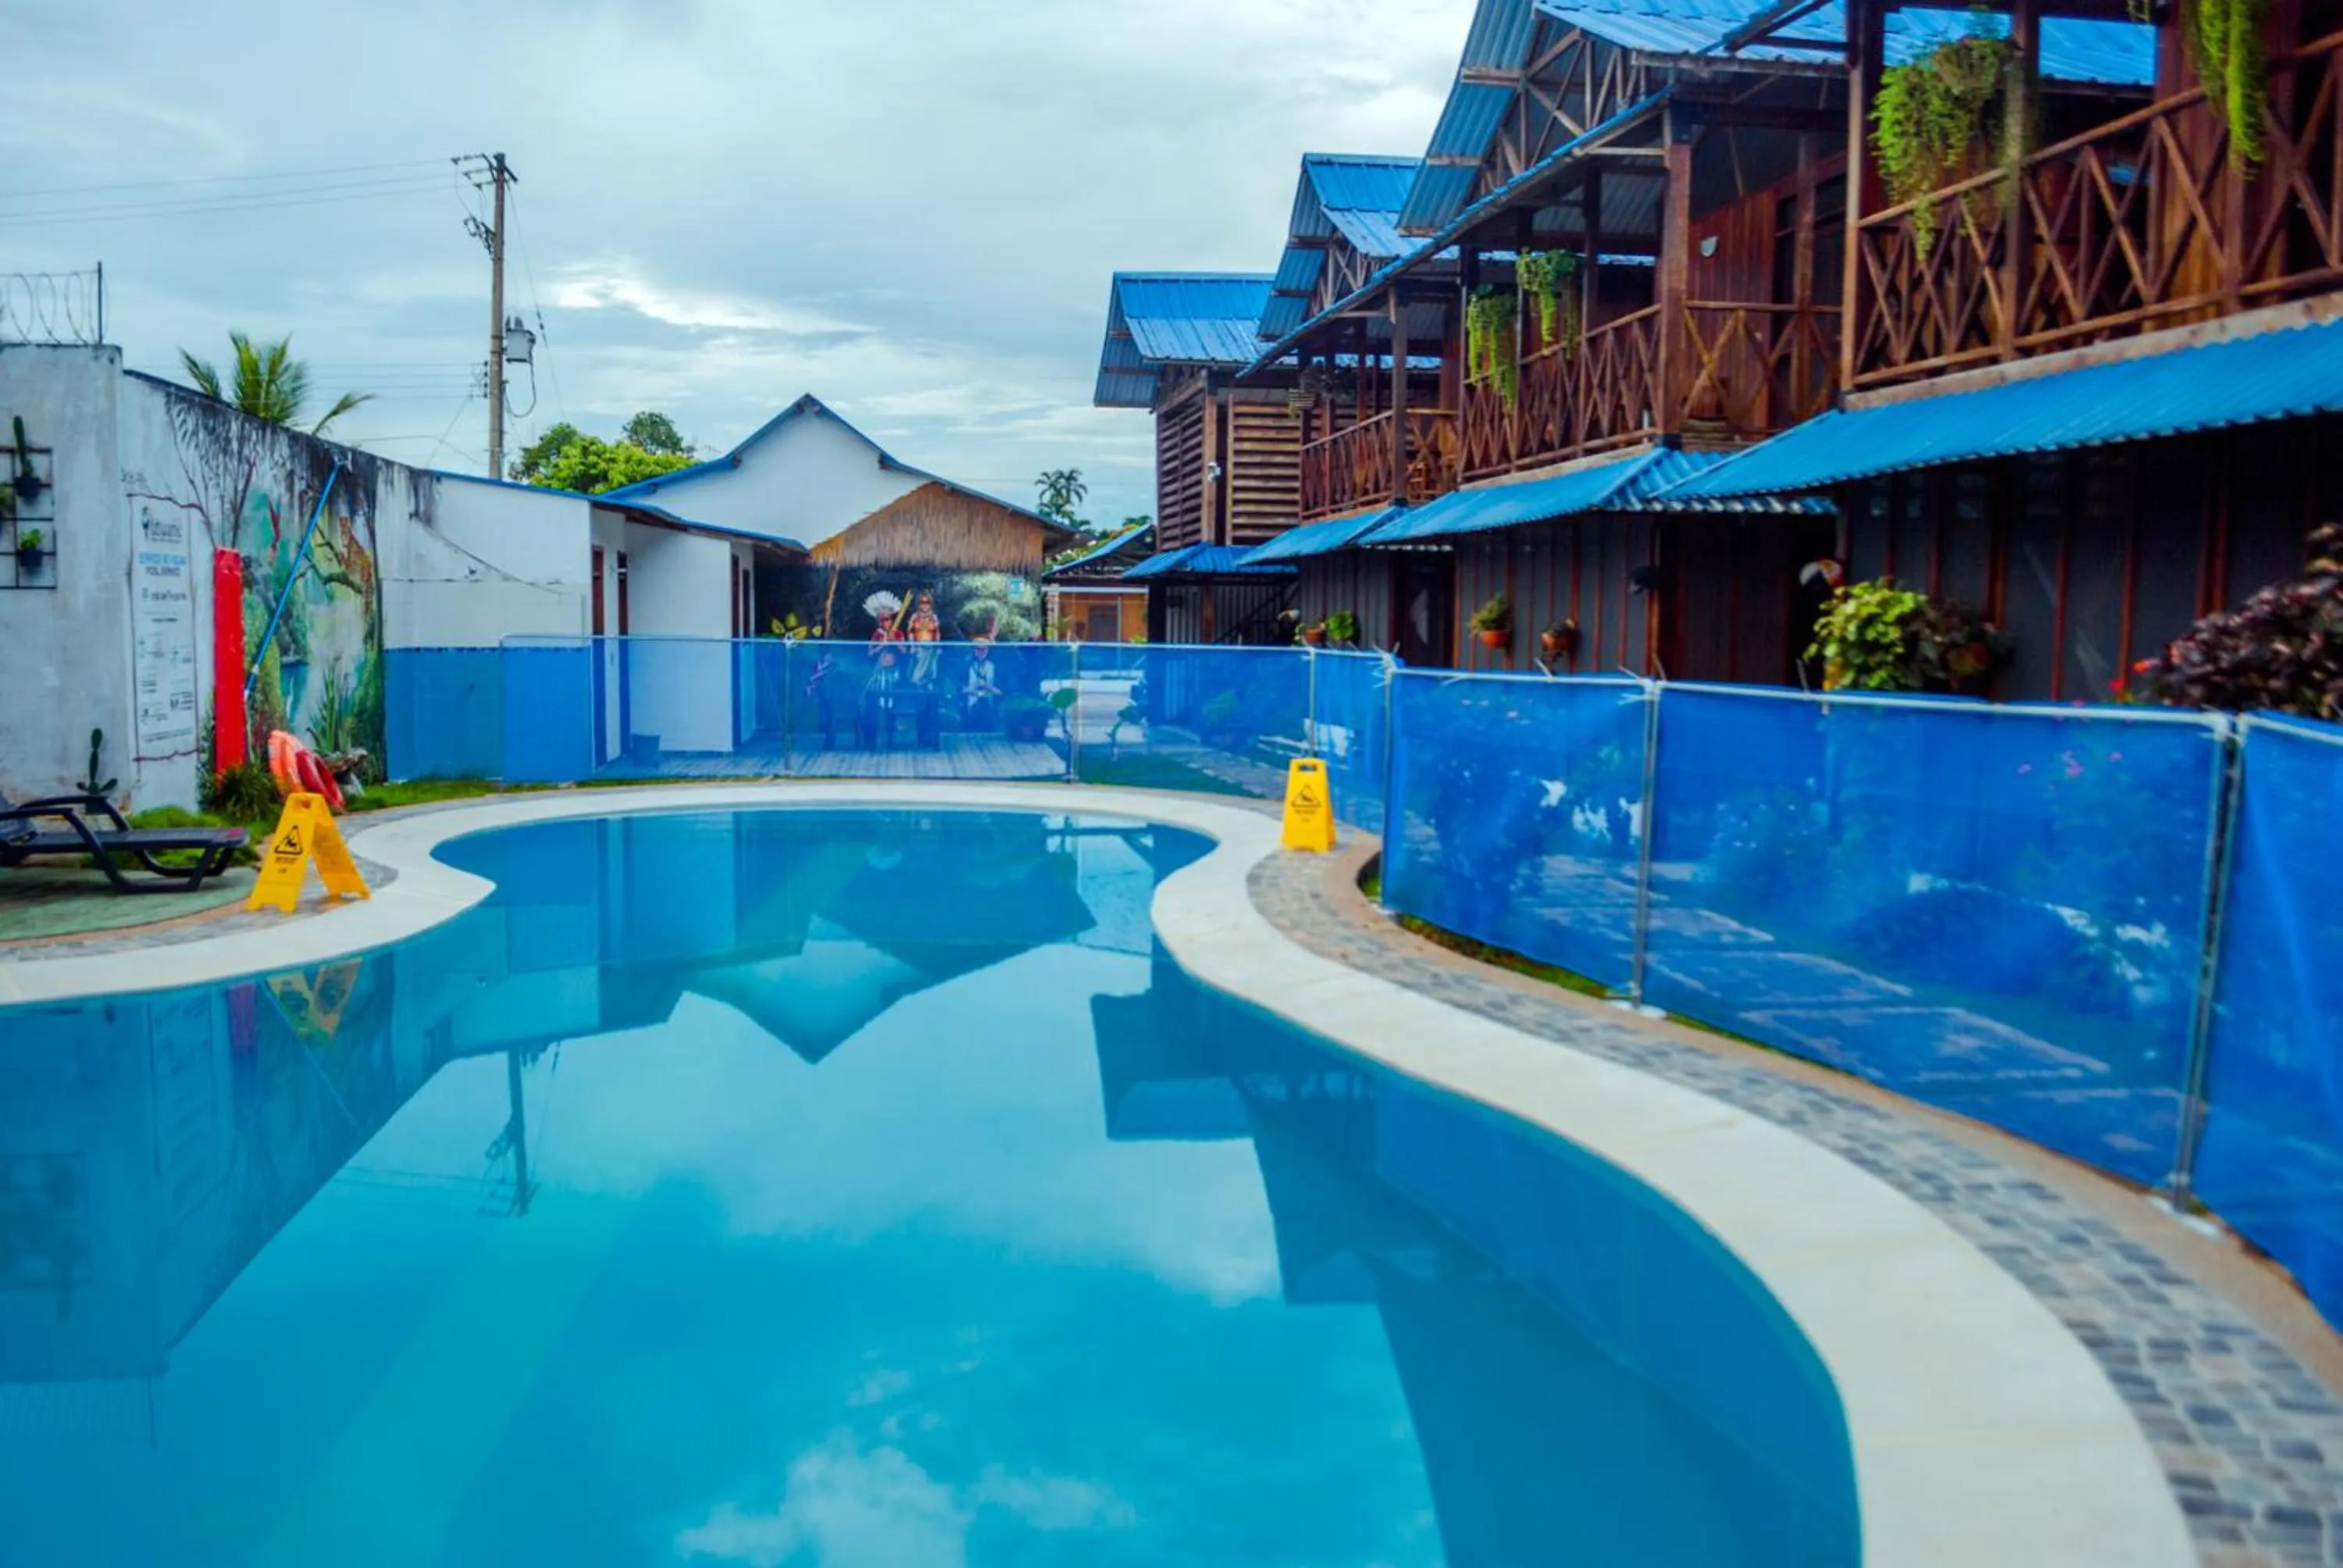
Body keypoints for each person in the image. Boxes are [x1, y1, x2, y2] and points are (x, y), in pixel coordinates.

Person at [964, 636, 1002, 731]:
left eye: (983, 650)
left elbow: (1001, 692)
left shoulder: (995, 667)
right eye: (978, 649)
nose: (981, 652)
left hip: (990, 709)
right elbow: (961, 689)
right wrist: (974, 692)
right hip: (971, 708)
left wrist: (987, 687)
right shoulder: (967, 666)